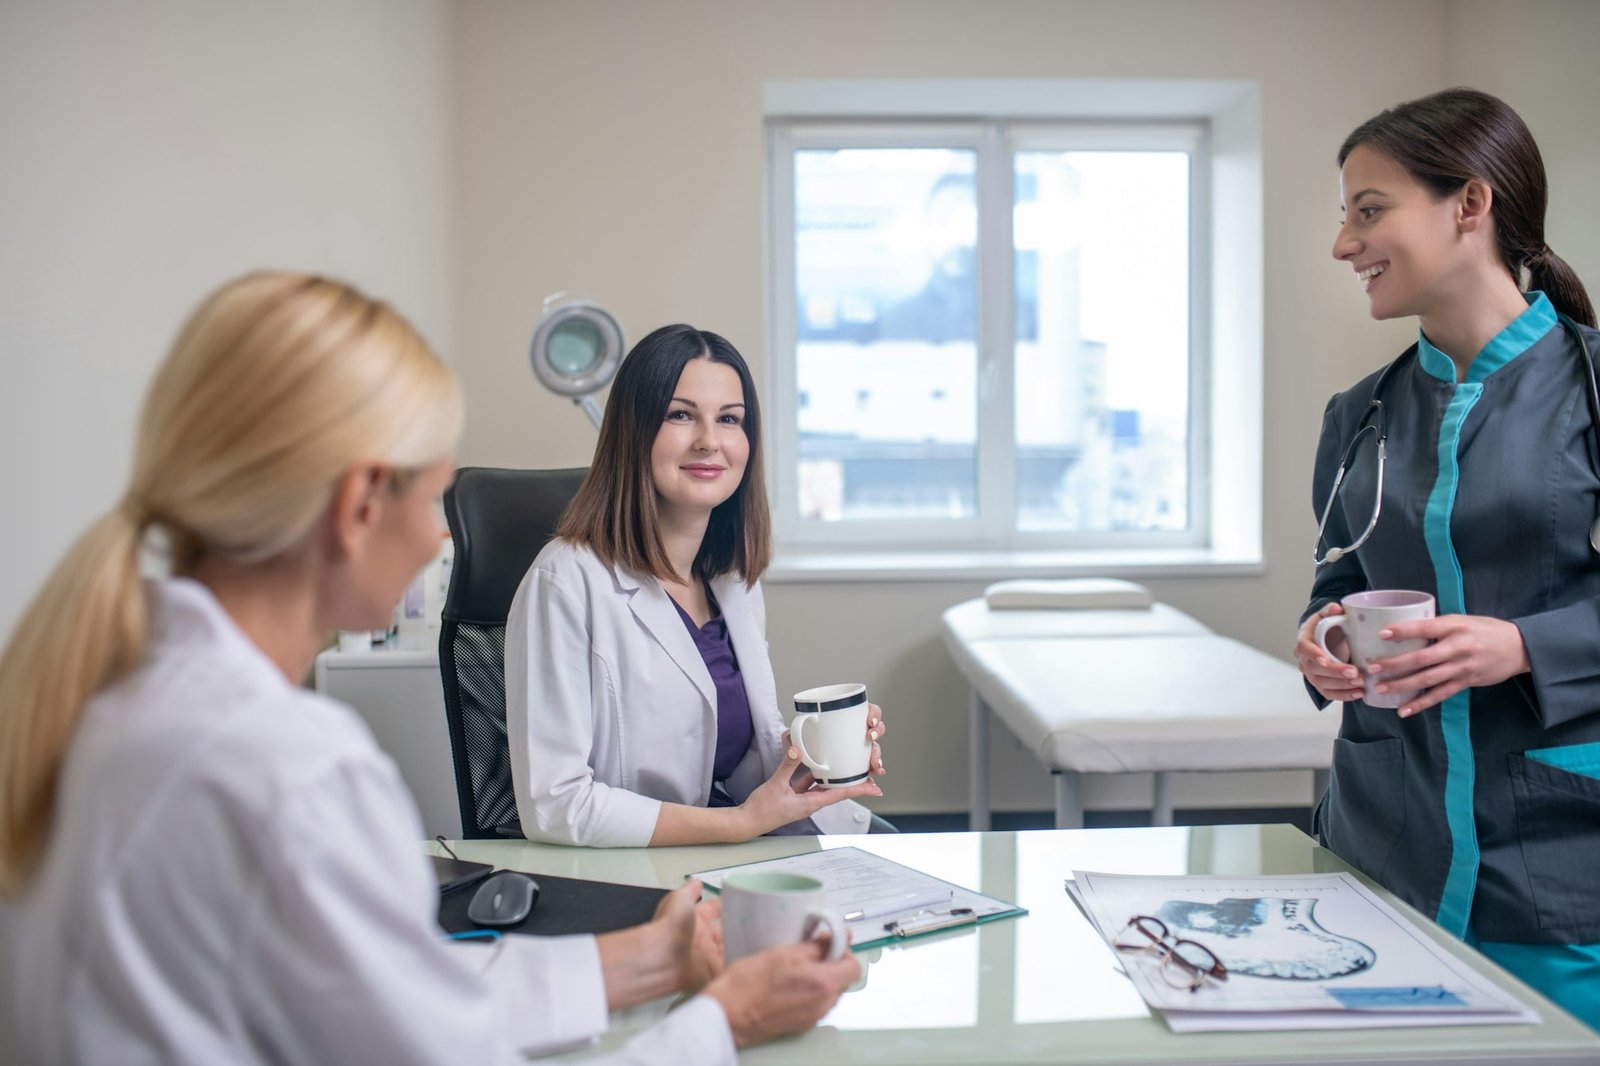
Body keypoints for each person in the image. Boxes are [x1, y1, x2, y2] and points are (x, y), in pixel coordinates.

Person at [0, 273, 860, 1064]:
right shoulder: (295, 773)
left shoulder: (113, 697)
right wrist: (725, 1020)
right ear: (357, 507)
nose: (437, 540)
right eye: (429, 498)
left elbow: (415, 1004)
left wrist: (651, 958)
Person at [1294, 88, 1600, 1028]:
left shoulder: (1591, 392)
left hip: (1557, 866)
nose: (1345, 244)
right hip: (1383, 852)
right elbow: (1338, 583)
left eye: (1369, 210)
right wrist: (1325, 636)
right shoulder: (1361, 416)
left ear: (1471, 204)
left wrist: (1524, 648)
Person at [506, 324, 887, 846]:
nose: (710, 440)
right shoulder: (566, 580)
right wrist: (740, 823)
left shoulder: (733, 582)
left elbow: (738, 767)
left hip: (734, 851)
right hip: (633, 872)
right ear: (633, 432)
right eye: (681, 415)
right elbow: (556, 804)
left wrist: (819, 753)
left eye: (729, 419)